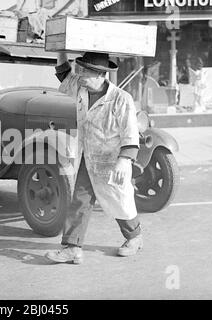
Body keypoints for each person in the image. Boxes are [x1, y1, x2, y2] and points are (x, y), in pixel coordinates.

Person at [45, 52, 143, 264]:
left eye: (84, 72)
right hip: (87, 159)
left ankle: (134, 238)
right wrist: (60, 51)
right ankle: (72, 248)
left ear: (100, 75)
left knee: (119, 201)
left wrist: (124, 161)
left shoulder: (121, 99)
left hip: (113, 163)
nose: (79, 75)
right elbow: (64, 75)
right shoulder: (81, 88)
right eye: (79, 70)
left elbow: (130, 134)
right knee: (79, 200)